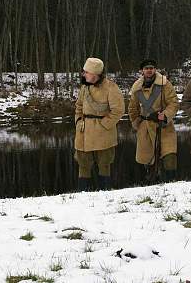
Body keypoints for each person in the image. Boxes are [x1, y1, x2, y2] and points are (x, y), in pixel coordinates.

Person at [74, 57, 125, 190]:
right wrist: (78, 121)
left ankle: (105, 193)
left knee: (104, 164)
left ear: (95, 74)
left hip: (103, 135)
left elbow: (118, 110)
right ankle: (82, 194)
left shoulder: (111, 88)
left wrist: (104, 125)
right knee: (83, 164)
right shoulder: (84, 87)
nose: (83, 74)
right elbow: (78, 106)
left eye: (86, 72)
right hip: (83, 133)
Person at [128, 59, 179, 182]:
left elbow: (173, 103)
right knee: (148, 161)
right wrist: (136, 123)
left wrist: (165, 115)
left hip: (163, 127)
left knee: (169, 158)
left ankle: (171, 185)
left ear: (155, 69)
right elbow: (132, 108)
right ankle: (152, 186)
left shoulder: (164, 84)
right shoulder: (136, 87)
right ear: (142, 71)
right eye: (146, 68)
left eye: (151, 68)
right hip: (144, 128)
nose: (149, 70)